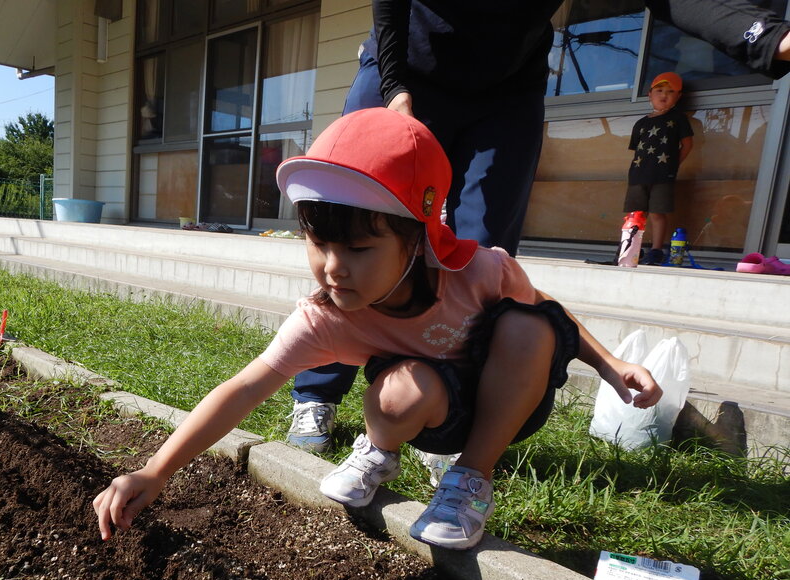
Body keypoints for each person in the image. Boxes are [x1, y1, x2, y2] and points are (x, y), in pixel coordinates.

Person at [93, 108, 662, 552]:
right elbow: (245, 387)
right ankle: (379, 450)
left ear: (417, 239)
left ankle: (469, 481)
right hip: (431, 412)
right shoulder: (329, 316)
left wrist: (612, 366)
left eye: (360, 248)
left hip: (507, 403)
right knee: (400, 390)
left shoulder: (479, 272)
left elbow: (551, 313)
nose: (335, 268)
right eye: (319, 244)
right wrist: (155, 469)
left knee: (530, 326)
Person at [287, 0, 790, 457]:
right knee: (352, 228)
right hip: (406, 63)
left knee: (484, 252)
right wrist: (395, 88)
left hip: (506, 86)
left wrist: (766, 36)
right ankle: (317, 392)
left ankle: (452, 423)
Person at [623, 72, 694, 265]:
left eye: (671, 91)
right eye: (659, 90)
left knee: (657, 212)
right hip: (638, 175)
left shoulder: (678, 119)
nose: (664, 94)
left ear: (678, 97)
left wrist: (674, 165)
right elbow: (636, 150)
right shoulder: (641, 123)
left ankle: (656, 250)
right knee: (635, 214)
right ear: (650, 94)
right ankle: (630, 248)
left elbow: (687, 145)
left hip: (663, 176)